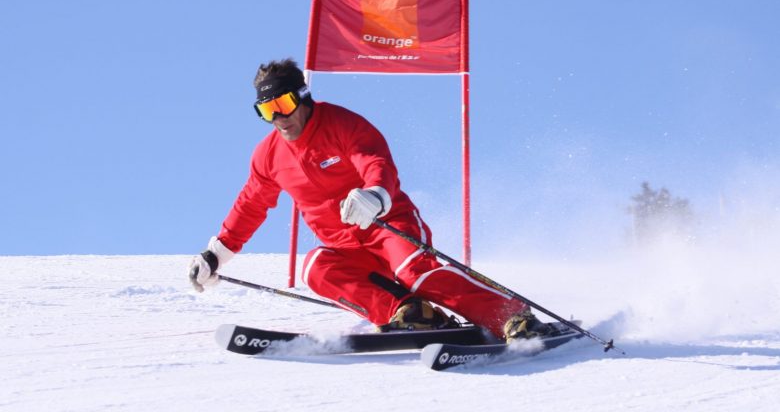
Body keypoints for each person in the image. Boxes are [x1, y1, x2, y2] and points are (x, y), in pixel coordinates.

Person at [188, 58, 552, 341]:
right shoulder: (268, 155)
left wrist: (374, 196)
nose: (279, 119)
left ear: (301, 97)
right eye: (266, 111)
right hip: (345, 245)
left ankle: (513, 317)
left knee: (414, 272)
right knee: (316, 268)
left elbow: (377, 163)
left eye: (282, 104)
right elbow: (252, 204)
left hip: (387, 225)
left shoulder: (342, 125)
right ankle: (413, 315)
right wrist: (216, 254)